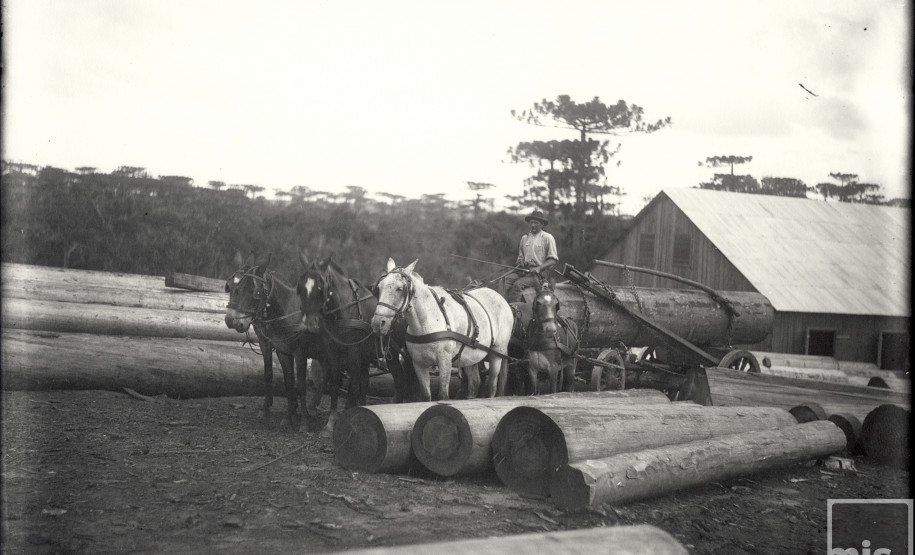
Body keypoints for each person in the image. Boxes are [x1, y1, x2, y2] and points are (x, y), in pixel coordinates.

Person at [504, 209, 558, 302]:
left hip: (540, 274)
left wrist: (539, 268)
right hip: (525, 271)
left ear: (542, 224)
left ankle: (515, 311)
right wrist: (521, 262)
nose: (533, 225)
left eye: (536, 223)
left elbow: (553, 260)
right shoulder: (524, 238)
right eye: (531, 222)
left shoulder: (547, 237)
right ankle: (505, 307)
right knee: (507, 279)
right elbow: (520, 258)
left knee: (518, 285)